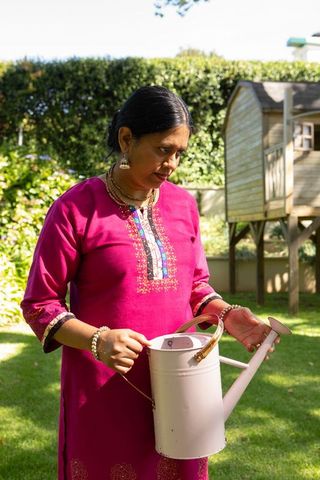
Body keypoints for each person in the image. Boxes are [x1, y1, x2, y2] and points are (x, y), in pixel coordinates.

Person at [21, 85, 274, 480]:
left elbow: (196, 287)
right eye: (162, 149)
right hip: (104, 393)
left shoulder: (183, 206)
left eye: (179, 153)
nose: (171, 162)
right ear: (127, 139)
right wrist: (97, 340)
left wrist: (228, 315)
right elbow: (40, 303)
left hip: (182, 387)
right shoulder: (74, 209)